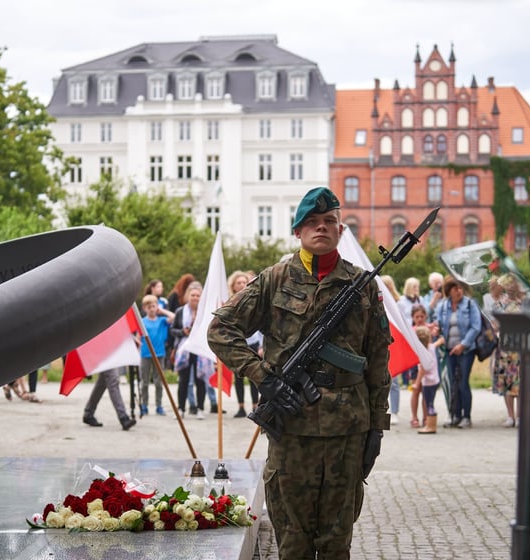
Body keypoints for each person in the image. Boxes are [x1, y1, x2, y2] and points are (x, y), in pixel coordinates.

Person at [208, 186, 391, 559]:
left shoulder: (363, 286)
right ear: (297, 231)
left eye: (329, 221)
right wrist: (263, 376)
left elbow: (377, 364)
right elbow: (220, 330)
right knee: (292, 542)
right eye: (311, 222)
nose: (321, 227)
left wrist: (376, 426)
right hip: (292, 431)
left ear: (340, 230)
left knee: (336, 544)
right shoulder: (275, 279)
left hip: (346, 433)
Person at [435, 275, 481, 429]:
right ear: (449, 291)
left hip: (466, 350)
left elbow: (476, 327)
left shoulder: (469, 305)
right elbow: (439, 324)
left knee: (463, 382)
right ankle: (455, 415)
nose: (459, 291)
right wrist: (436, 329)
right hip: (449, 350)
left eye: (461, 287)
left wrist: (463, 344)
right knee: (452, 383)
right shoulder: (443, 306)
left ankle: (466, 417)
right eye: (456, 288)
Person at [171, 281, 210, 419]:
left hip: (199, 350)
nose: (195, 298)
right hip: (184, 350)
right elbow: (173, 330)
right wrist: (183, 331)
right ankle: (181, 408)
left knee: (200, 380)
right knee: (184, 380)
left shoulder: (205, 311)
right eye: (192, 295)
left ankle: (200, 408)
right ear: (188, 296)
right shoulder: (180, 311)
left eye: (198, 295)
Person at [491, 274, 524, 427]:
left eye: (513, 284)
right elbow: (494, 324)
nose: (510, 287)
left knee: (520, 382)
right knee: (506, 382)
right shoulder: (499, 303)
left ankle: (519, 416)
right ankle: (510, 415)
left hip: (521, 347)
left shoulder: (524, 302)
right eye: (507, 284)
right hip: (505, 347)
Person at [228, 270, 261, 418]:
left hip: (253, 343)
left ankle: (256, 405)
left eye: (244, 282)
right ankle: (241, 406)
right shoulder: (230, 303)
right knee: (239, 378)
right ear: (233, 286)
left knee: (254, 375)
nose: (242, 285)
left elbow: (261, 326)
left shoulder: (255, 301)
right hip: (238, 344)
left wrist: (261, 346)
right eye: (238, 283)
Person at [139, 294, 175, 416]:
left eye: (154, 306)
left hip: (159, 354)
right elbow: (138, 338)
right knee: (144, 381)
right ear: (145, 308)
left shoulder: (162, 321)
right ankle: (144, 405)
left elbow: (173, 317)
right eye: (149, 307)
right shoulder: (142, 322)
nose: (152, 309)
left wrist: (162, 310)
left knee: (158, 381)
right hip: (145, 354)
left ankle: (159, 405)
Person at [380, 275, 403, 425]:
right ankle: (382, 409)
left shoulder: (398, 304)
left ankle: (394, 411)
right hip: (382, 343)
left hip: (395, 344)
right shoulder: (377, 302)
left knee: (394, 380)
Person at [414, 326, 441, 434]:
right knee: (431, 401)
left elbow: (422, 370)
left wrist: (416, 383)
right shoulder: (431, 347)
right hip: (435, 380)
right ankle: (430, 424)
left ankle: (431, 425)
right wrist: (441, 340)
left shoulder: (422, 353)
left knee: (429, 403)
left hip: (428, 383)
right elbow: (437, 343)